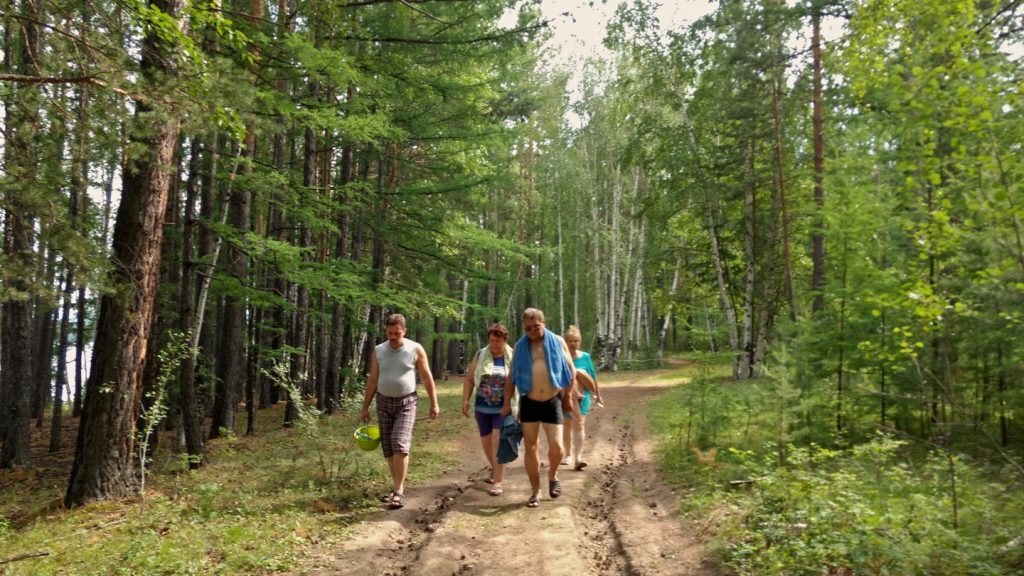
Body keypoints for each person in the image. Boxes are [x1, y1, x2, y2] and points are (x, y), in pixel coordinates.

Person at [360, 313, 439, 509]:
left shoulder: (415, 349)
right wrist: (365, 407)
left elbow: (427, 377)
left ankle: (399, 491)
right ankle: (396, 487)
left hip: (407, 402)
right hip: (383, 402)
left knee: (400, 442)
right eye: (390, 333)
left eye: (397, 333)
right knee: (388, 446)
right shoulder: (379, 350)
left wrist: (434, 403)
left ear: (404, 331)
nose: (393, 337)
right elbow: (373, 380)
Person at [501, 308, 576, 508]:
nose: (532, 331)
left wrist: (568, 395)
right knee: (531, 447)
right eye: (528, 328)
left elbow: (571, 369)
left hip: (553, 400)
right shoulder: (520, 345)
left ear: (544, 322)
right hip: (530, 401)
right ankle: (535, 491)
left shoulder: (558, 341)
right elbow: (512, 377)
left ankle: (552, 475)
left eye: (536, 326)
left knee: (557, 446)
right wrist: (507, 403)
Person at [462, 322, 514, 496]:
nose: (494, 345)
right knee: (486, 443)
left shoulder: (512, 357)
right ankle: (496, 469)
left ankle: (498, 481)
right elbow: (469, 379)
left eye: (498, 341)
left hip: (503, 408)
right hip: (482, 407)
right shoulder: (480, 355)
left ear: (505, 341)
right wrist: (465, 400)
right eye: (492, 341)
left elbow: (518, 382)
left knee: (497, 440)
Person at [562, 325, 603, 471]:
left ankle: (578, 457)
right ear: (566, 341)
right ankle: (567, 455)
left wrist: (598, 394)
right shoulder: (561, 356)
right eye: (571, 340)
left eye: (576, 341)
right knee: (567, 425)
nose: (573, 343)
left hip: (583, 396)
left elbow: (593, 377)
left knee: (579, 425)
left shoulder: (585, 357)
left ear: (579, 342)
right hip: (565, 395)